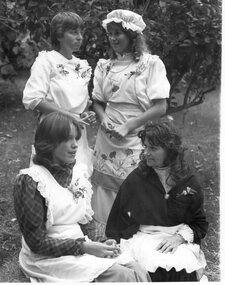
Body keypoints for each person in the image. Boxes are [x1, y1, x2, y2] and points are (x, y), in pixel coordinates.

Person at [13, 112, 151, 282]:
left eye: (76, 139)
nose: (75, 146)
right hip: (48, 256)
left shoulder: (78, 173)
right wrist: (84, 247)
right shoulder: (32, 182)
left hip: (81, 244)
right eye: (67, 140)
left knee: (137, 268)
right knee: (123, 276)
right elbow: (37, 243)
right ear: (49, 144)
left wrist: (101, 242)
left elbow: (86, 221)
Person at [91, 9, 170, 229]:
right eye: (110, 33)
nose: (113, 38)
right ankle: (105, 230)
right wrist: (103, 117)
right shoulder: (105, 66)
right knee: (105, 184)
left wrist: (129, 126)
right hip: (107, 137)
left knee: (134, 181)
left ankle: (131, 230)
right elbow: (97, 101)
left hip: (137, 134)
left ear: (132, 36)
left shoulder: (149, 64)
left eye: (119, 33)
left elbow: (160, 106)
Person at [105, 120, 209, 282]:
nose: (146, 152)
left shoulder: (188, 182)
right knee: (156, 268)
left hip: (176, 238)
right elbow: (119, 219)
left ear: (170, 151)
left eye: (153, 148)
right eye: (145, 147)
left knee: (182, 269)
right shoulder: (136, 179)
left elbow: (199, 223)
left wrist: (180, 238)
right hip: (143, 238)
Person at [23, 11, 95, 177]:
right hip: (53, 129)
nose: (79, 37)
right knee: (51, 178)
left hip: (77, 131)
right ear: (59, 35)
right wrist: (70, 116)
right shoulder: (46, 61)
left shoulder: (82, 66)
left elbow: (80, 103)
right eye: (73, 32)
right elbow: (33, 99)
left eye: (80, 32)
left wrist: (84, 115)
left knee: (78, 176)